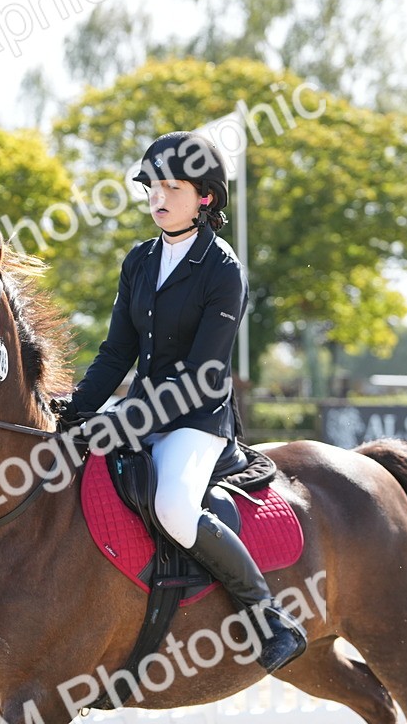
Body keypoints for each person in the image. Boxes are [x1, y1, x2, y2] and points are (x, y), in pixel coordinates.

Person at [50, 131, 306, 673]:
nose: (157, 198)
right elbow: (117, 350)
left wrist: (123, 421)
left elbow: (201, 374)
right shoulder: (139, 261)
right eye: (152, 187)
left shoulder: (223, 268)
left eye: (172, 187)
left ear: (205, 197)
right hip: (140, 413)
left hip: (196, 420)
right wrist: (76, 406)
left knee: (172, 507)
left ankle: (267, 616)